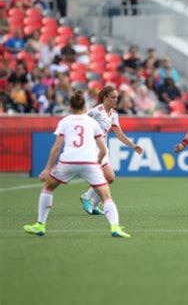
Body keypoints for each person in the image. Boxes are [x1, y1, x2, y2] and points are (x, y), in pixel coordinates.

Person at [23, 91, 130, 238]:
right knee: (106, 196)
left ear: (71, 107)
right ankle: (115, 227)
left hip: (68, 160)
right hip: (89, 160)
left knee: (48, 187)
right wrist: (98, 161)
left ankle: (40, 225)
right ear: (84, 106)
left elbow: (56, 147)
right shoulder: (92, 122)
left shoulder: (65, 121)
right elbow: (103, 148)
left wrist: (47, 168)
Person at [79, 85, 143, 215]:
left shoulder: (114, 114)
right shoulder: (96, 111)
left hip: (104, 149)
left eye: (117, 98)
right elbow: (80, 123)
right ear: (105, 98)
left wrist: (133, 145)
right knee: (108, 176)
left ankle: (93, 205)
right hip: (93, 148)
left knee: (110, 178)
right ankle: (86, 196)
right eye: (113, 97)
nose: (115, 100)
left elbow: (120, 135)